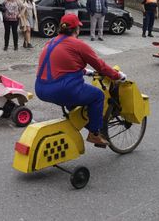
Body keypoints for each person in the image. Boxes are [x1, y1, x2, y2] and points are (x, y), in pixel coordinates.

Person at [34, 13, 126, 146]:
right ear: (76, 29)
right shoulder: (78, 44)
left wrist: (84, 71)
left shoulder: (50, 42)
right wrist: (118, 76)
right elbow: (100, 66)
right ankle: (94, 134)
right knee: (97, 95)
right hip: (62, 89)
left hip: (41, 89)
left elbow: (61, 65)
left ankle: (78, 120)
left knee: (75, 99)